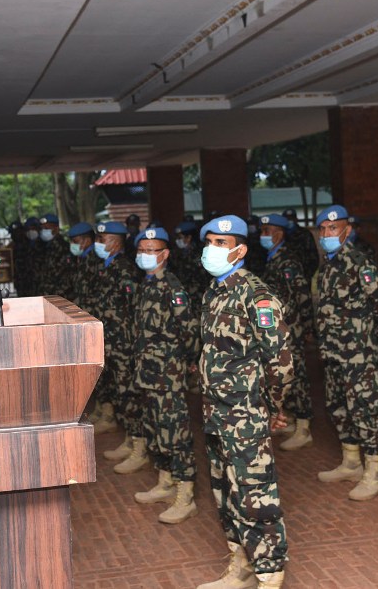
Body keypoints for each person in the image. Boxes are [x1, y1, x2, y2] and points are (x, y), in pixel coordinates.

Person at [196, 215, 293, 589]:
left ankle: (270, 576)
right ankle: (240, 566)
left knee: (256, 492)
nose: (213, 249)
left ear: (241, 249)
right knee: (225, 492)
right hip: (216, 413)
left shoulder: (257, 295)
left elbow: (281, 360)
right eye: (210, 242)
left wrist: (273, 405)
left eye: (222, 243)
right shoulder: (213, 292)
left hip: (246, 413)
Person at [313, 205, 378, 501]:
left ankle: (374, 473)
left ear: (347, 230)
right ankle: (351, 462)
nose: (326, 234)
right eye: (322, 230)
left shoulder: (361, 263)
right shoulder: (327, 265)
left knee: (365, 408)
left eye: (333, 229)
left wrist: (371, 345)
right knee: (337, 406)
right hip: (332, 353)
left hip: (357, 354)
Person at [129, 228, 202, 524]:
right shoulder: (145, 285)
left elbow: (190, 331)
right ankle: (165, 480)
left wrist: (190, 363)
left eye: (152, 249)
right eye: (142, 249)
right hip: (148, 374)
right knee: (156, 427)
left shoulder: (173, 288)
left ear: (165, 254)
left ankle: (185, 495)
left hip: (168, 374)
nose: (145, 255)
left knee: (176, 432)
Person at [258, 213, 315, 451]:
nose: (263, 236)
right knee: (282, 376)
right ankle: (290, 419)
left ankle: (304, 428)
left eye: (267, 231)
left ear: (279, 234)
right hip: (277, 332)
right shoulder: (271, 260)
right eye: (261, 231)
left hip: (291, 330)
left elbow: (302, 296)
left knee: (297, 377)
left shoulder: (288, 262)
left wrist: (308, 327)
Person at [89, 221, 143, 458]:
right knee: (120, 392)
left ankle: (138, 446)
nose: (98, 244)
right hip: (110, 339)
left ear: (116, 242)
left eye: (103, 239)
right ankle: (129, 438)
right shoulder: (107, 266)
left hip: (123, 343)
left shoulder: (124, 268)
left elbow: (133, 309)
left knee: (128, 393)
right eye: (98, 238)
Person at [35, 212, 71, 297]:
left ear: (56, 229)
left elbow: (66, 278)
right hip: (46, 293)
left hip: (58, 296)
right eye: (42, 228)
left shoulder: (63, 248)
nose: (43, 231)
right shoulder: (44, 245)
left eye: (46, 228)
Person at [281, 208, 319, 279]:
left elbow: (314, 257)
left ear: (296, 219)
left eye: (291, 218)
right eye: (287, 219)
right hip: (283, 277)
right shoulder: (280, 234)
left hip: (302, 276)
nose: (289, 221)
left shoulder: (305, 234)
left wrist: (307, 275)